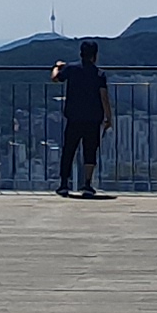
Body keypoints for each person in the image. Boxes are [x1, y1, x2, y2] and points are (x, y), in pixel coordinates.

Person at [50, 37, 112, 198]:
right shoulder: (99, 74)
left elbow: (55, 78)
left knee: (69, 150)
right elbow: (104, 97)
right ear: (95, 55)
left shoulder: (71, 69)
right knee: (90, 151)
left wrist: (57, 67)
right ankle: (87, 184)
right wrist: (108, 117)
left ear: (81, 54)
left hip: (74, 116)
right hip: (93, 118)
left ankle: (64, 184)